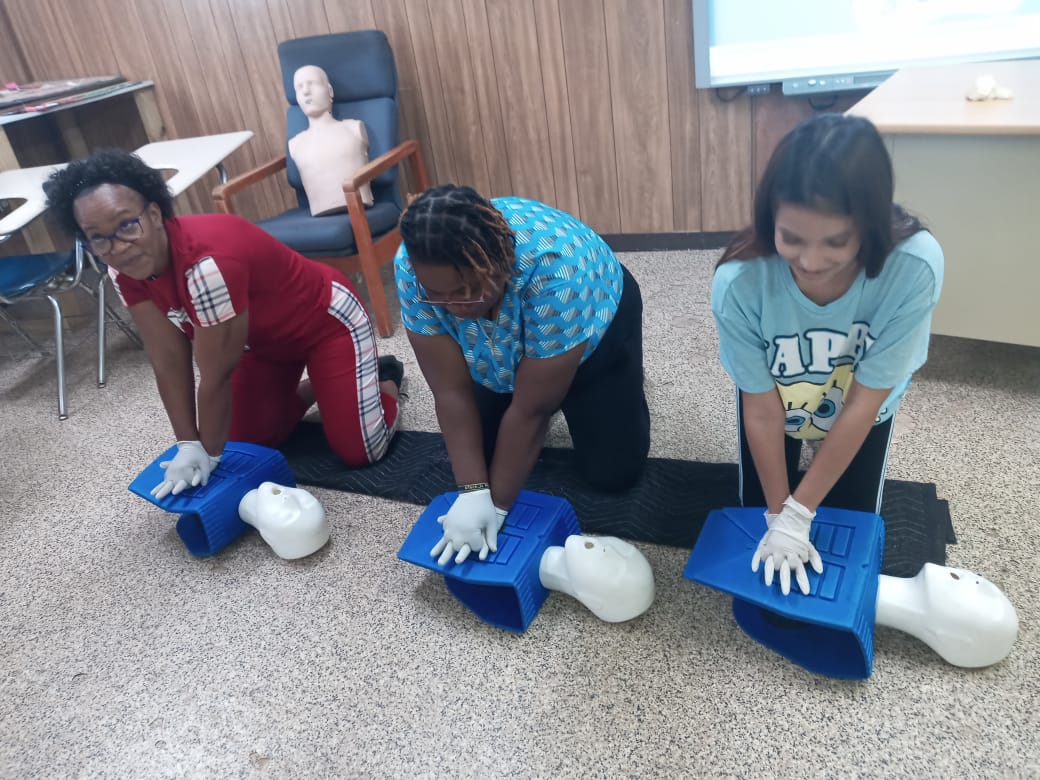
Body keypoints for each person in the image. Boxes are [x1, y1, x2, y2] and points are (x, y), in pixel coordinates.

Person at [44, 149, 403, 498]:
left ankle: (381, 382)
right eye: (98, 237)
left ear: (153, 214)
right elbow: (168, 359)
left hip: (325, 324)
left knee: (360, 451)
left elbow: (216, 375)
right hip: (257, 343)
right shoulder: (122, 271)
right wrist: (187, 444)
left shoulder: (206, 265)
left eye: (126, 225)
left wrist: (209, 455)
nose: (118, 247)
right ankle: (321, 388)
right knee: (245, 441)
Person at [711, 114, 943, 596]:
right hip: (777, 403)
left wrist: (801, 512)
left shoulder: (912, 268)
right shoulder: (740, 283)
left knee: (851, 527)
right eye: (791, 238)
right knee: (757, 518)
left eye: (836, 241)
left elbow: (863, 403)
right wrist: (780, 512)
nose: (811, 262)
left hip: (859, 405)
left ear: (868, 226)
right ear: (770, 218)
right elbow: (762, 410)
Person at [395, 185, 651, 565]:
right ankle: (532, 374)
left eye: (466, 291)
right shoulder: (412, 268)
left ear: (500, 264)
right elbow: (449, 391)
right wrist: (473, 491)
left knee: (613, 474)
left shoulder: (559, 273)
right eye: (439, 294)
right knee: (478, 458)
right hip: (502, 346)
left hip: (594, 321)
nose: (454, 307)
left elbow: (533, 411)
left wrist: (498, 508)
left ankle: (612, 380)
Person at [287, 64, 373, 216]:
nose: (306, 91)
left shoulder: (354, 128)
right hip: (319, 211)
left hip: (360, 205)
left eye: (312, 83)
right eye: (299, 87)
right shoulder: (295, 144)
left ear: (330, 91)